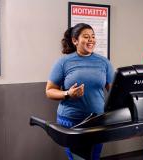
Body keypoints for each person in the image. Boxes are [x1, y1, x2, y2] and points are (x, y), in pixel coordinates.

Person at [46, 23, 114, 160]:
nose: (91, 40)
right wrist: (67, 94)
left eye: (93, 37)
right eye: (86, 36)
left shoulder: (104, 62)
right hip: (71, 121)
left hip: (97, 121)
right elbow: (49, 91)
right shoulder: (63, 62)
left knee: (94, 157)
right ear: (75, 40)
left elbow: (114, 91)